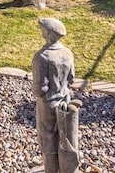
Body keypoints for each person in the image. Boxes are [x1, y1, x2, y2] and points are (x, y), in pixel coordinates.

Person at [32, 17, 76, 173]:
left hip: (48, 104)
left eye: (43, 29)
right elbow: (71, 79)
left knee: (48, 139)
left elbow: (39, 89)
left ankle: (51, 170)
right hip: (65, 99)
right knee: (64, 136)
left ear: (48, 33)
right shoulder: (68, 53)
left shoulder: (42, 57)